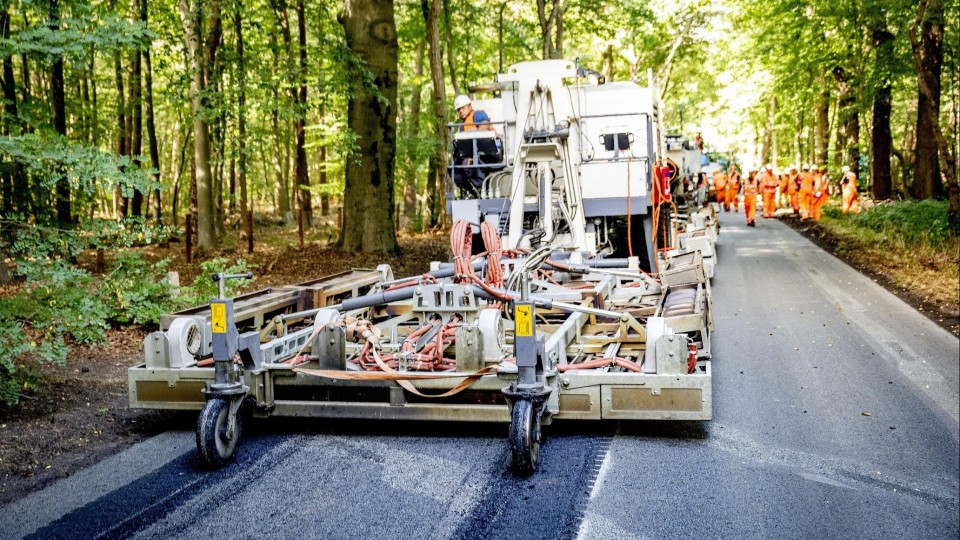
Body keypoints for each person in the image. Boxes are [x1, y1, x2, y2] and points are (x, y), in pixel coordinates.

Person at [452, 94, 496, 195]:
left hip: (486, 153)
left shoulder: (477, 115)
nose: (460, 111)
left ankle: (483, 189)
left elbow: (484, 126)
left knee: (467, 163)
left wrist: (473, 138)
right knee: (453, 170)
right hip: (472, 154)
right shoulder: (462, 127)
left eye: (462, 108)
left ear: (469, 106)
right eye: (458, 110)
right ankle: (473, 192)